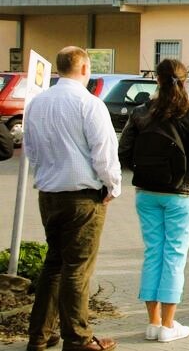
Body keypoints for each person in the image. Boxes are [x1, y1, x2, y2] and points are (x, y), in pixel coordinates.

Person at [24, 47, 121, 351]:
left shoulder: (36, 104)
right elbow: (104, 153)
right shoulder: (89, 104)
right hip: (82, 196)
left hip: (49, 193)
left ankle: (40, 335)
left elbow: (30, 150)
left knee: (54, 264)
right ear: (83, 67)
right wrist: (112, 186)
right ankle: (78, 338)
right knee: (77, 268)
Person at [118, 59, 189, 343]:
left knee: (153, 253)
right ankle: (168, 324)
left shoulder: (140, 112)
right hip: (181, 194)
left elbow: (123, 150)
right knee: (174, 256)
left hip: (146, 191)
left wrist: (142, 171)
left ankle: (152, 323)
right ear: (184, 81)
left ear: (157, 81)